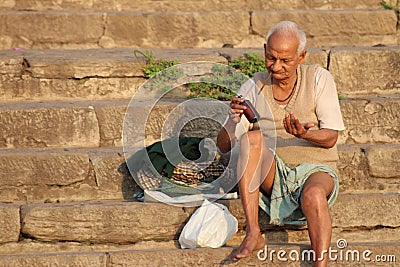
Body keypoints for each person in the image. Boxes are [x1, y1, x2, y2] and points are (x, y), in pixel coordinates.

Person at [216, 21, 345, 266]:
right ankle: (254, 232)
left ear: (301, 56)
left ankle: (321, 263)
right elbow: (222, 146)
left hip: (315, 168)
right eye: (271, 58)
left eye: (285, 60)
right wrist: (232, 121)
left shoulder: (318, 78)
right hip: (273, 173)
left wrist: (305, 135)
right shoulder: (254, 85)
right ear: (265, 51)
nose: (276, 67)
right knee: (252, 138)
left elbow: (331, 138)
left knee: (314, 195)